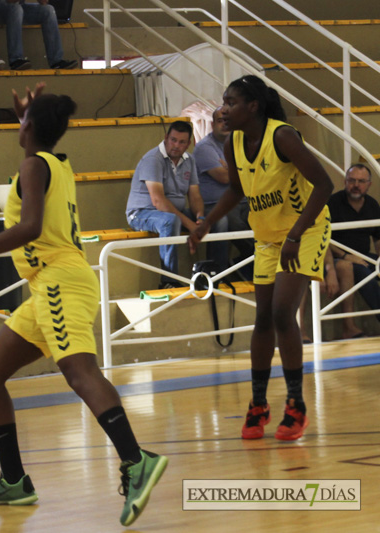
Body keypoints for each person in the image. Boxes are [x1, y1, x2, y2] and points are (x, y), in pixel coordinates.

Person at [0, 84, 167, 527]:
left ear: (28, 126)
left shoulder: (34, 165)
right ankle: (14, 481)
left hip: (60, 281)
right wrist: (30, 115)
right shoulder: (50, 162)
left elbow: (30, 227)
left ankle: (136, 461)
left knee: (79, 372)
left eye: (23, 120)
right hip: (46, 285)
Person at [188, 75, 334, 441]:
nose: (222, 109)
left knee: (284, 313)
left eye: (231, 102)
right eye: (223, 102)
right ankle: (258, 404)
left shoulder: (282, 136)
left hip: (305, 229)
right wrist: (205, 221)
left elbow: (325, 184)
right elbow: (236, 190)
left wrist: (296, 235)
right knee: (263, 318)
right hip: (269, 237)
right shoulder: (235, 142)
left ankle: (296, 405)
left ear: (253, 106)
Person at [125, 120, 203, 289]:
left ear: (189, 144)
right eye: (173, 140)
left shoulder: (190, 160)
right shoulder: (153, 159)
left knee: (217, 220)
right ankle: (169, 280)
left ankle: (215, 274)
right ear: (166, 137)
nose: (176, 145)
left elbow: (195, 196)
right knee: (170, 220)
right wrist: (190, 224)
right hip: (142, 213)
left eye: (182, 142)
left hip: (174, 212)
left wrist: (200, 218)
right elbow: (158, 201)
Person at [192, 106, 253, 276]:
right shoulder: (205, 147)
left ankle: (242, 265)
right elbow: (224, 178)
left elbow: (256, 172)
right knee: (228, 220)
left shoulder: (241, 143)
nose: (225, 125)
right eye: (220, 121)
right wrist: (241, 169)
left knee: (267, 213)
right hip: (216, 204)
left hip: (244, 200)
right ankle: (255, 258)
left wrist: (230, 168)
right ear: (212, 125)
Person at [327, 162, 380, 337]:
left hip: (364, 256)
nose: (356, 185)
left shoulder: (372, 205)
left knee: (370, 268)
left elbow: (378, 238)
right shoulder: (332, 203)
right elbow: (323, 238)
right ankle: (350, 327)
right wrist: (346, 255)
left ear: (369, 184)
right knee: (364, 274)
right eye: (352, 180)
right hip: (339, 258)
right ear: (345, 181)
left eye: (361, 181)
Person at [0, 0, 77, 70]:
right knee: (16, 9)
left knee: (48, 10)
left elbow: (43, 3)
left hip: (18, 8)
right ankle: (15, 59)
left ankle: (56, 61)